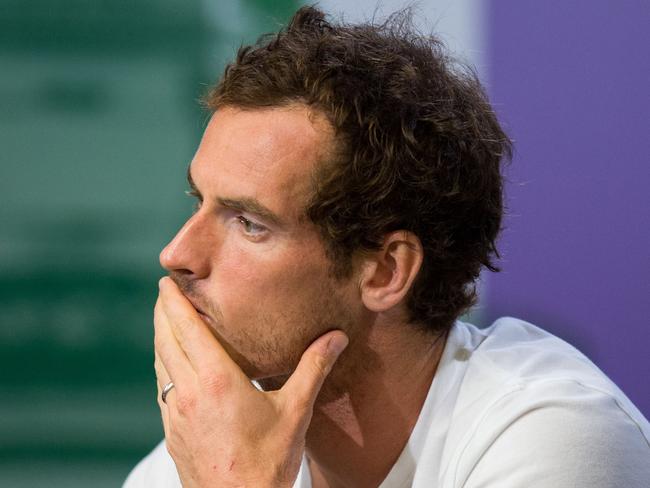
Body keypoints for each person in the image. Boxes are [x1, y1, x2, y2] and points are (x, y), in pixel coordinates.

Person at [124, 6, 649, 487]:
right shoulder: (191, 463)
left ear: (384, 271)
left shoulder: (555, 440)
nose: (177, 255)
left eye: (248, 223)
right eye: (199, 202)